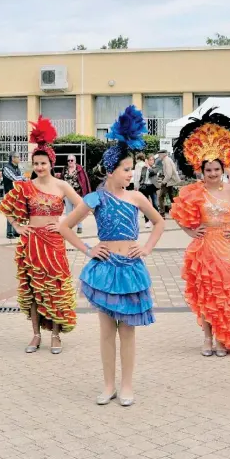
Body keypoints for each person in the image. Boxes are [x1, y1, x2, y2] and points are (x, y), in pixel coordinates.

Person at [60, 106, 165, 406]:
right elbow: (64, 226)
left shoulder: (137, 197)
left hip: (130, 268)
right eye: (126, 169)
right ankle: (108, 385)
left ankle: (127, 386)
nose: (131, 174)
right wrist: (89, 248)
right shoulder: (96, 198)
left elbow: (159, 222)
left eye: (132, 168)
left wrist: (146, 248)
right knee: (107, 332)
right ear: (110, 170)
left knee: (128, 332)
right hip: (104, 269)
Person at [170, 107, 230, 357]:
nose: (212, 174)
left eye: (216, 170)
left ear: (223, 169)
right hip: (204, 245)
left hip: (226, 247)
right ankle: (207, 338)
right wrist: (190, 232)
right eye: (208, 170)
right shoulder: (194, 191)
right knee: (207, 292)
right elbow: (177, 214)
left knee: (225, 292)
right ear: (201, 170)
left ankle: (223, 337)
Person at [0, 116, 81, 354]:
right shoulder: (25, 186)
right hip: (31, 242)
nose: (39, 167)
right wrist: (17, 226)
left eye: (43, 163)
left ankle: (55, 335)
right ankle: (36, 335)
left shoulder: (62, 186)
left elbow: (83, 207)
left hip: (54, 242)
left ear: (51, 163)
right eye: (36, 163)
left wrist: (65, 225)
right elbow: (6, 207)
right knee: (33, 288)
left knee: (54, 287)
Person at [61, 154, 91, 234]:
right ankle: (69, 226)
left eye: (72, 160)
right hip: (67, 195)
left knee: (79, 211)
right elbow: (62, 180)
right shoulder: (65, 169)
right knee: (68, 212)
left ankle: (79, 226)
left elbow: (85, 182)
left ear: (75, 161)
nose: (70, 162)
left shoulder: (80, 169)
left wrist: (85, 194)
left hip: (77, 194)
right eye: (68, 160)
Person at [2, 152, 26, 239]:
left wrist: (23, 178)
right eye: (18, 157)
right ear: (13, 158)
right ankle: (9, 232)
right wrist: (23, 178)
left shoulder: (17, 168)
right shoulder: (6, 168)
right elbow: (15, 179)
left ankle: (16, 231)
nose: (19, 159)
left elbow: (22, 177)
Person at [139, 153, 160, 226]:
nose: (152, 161)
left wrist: (148, 166)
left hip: (152, 186)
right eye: (150, 160)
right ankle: (147, 221)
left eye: (152, 160)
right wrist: (140, 184)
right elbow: (141, 177)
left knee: (155, 204)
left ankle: (157, 219)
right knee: (145, 205)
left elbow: (153, 172)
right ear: (147, 160)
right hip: (145, 187)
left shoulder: (156, 167)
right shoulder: (143, 168)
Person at [158, 149, 181, 218]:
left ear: (163, 154)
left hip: (169, 182)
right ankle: (177, 213)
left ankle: (162, 214)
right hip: (171, 181)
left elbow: (169, 174)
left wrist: (163, 182)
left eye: (160, 154)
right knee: (172, 198)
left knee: (160, 197)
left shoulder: (166, 161)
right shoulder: (167, 160)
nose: (159, 156)